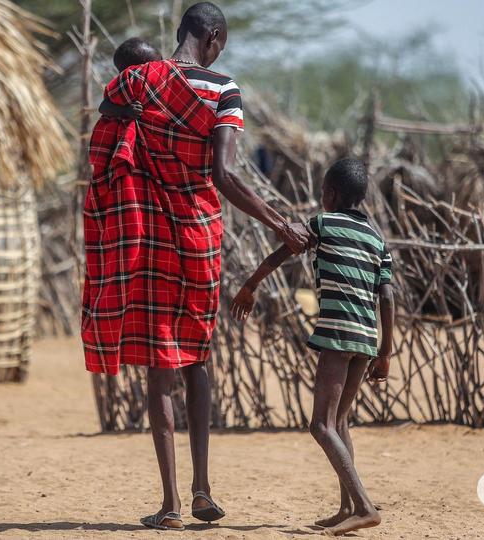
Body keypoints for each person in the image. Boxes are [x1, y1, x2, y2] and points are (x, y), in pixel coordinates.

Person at [82, 2, 311, 532]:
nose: (219, 52)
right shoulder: (223, 90)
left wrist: (132, 112)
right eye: (220, 44)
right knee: (197, 361)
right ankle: (203, 490)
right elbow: (225, 176)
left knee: (161, 370)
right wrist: (280, 223)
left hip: (150, 240)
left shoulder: (137, 82)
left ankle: (169, 506)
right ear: (211, 37)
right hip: (198, 237)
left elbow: (108, 118)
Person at [230, 158, 395, 536]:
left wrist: (251, 285)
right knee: (340, 422)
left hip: (337, 334)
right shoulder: (377, 240)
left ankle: (365, 506)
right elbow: (386, 297)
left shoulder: (323, 222)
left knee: (321, 425)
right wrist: (385, 352)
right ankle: (346, 509)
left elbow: (285, 250)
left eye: (323, 192)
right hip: (366, 338)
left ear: (330, 194)